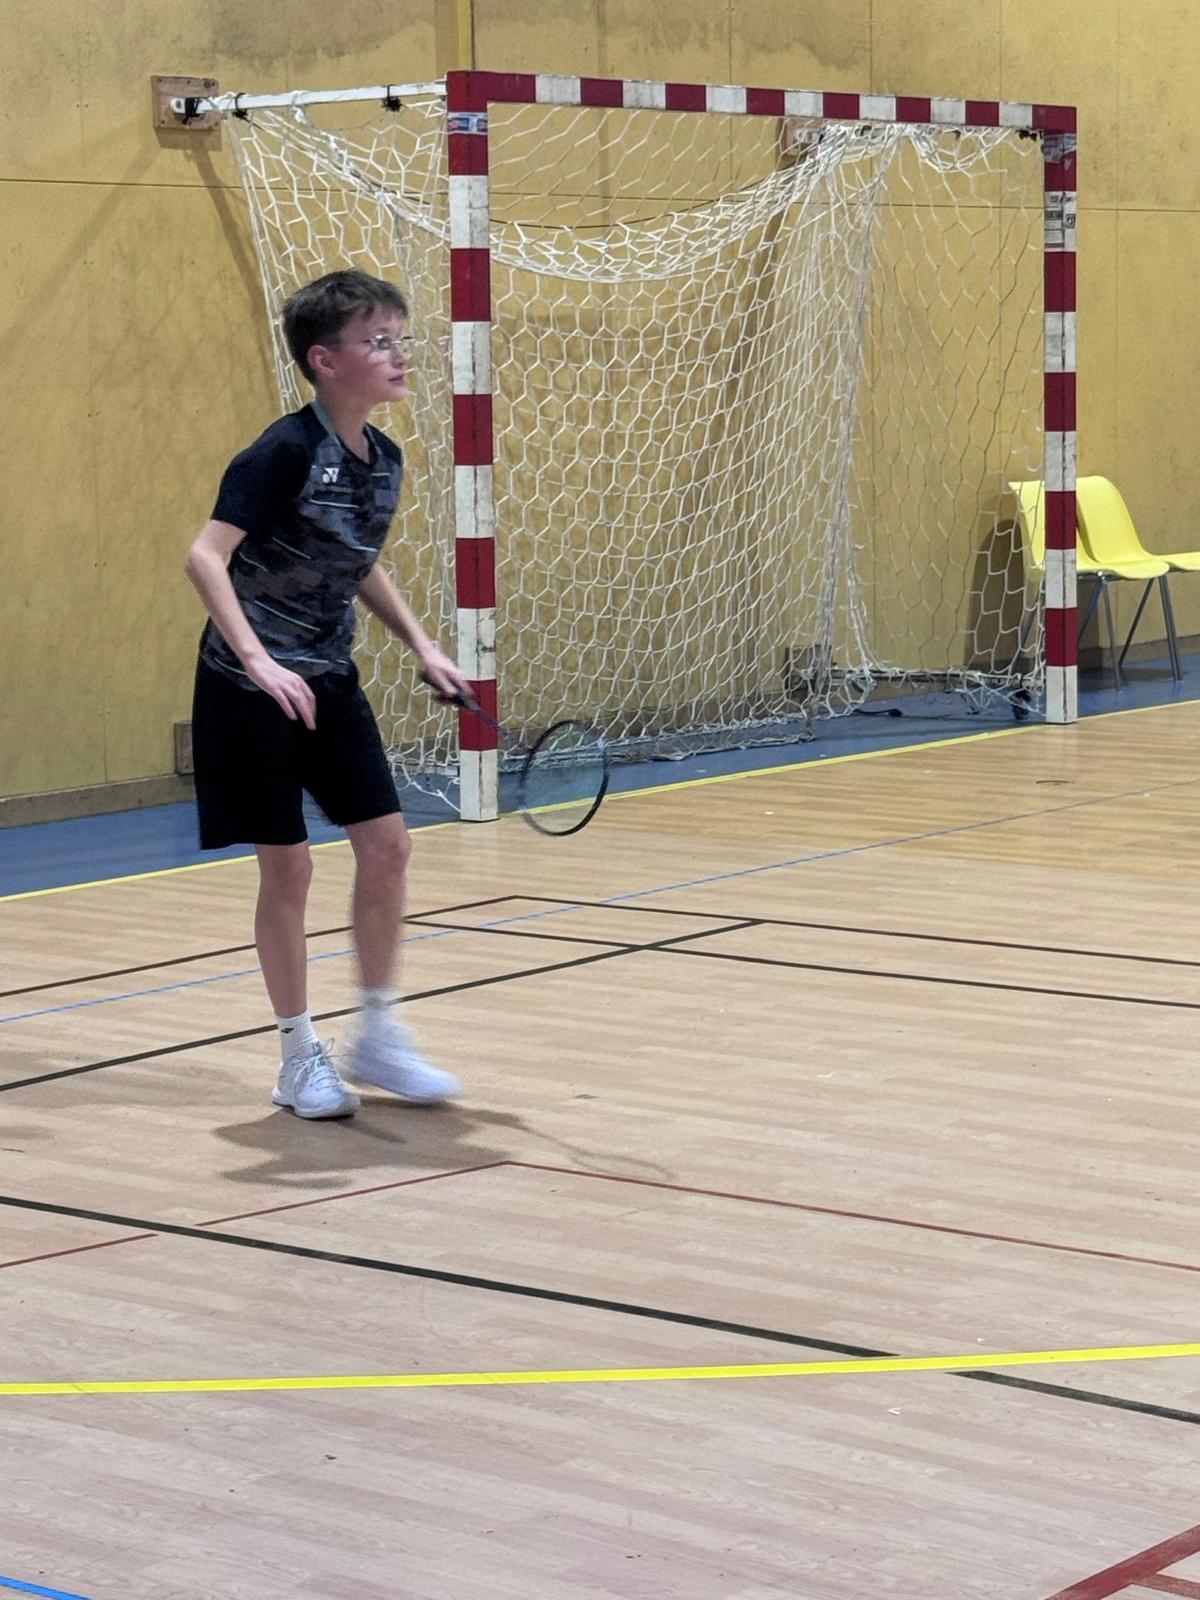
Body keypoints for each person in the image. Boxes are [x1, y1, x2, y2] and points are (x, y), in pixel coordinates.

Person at [184, 269, 469, 1119]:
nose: (398, 355)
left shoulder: (383, 460)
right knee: (290, 866)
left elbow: (354, 560)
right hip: (248, 687)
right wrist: (259, 661)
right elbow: (205, 555)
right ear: (325, 360)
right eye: (379, 342)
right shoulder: (281, 451)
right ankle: (297, 1056)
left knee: (388, 847)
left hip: (328, 676)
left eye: (400, 339)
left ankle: (376, 1034)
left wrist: (422, 644)